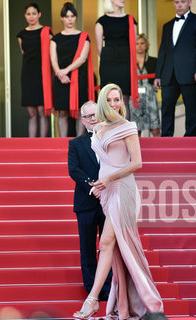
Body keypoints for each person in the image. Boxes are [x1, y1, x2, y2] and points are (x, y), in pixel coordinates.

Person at [73, 84, 163, 320]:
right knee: (112, 247)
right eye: (110, 100)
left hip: (123, 189)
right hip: (107, 192)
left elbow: (137, 163)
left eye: (117, 100)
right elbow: (103, 161)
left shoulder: (127, 127)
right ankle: (122, 301)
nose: (114, 104)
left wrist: (109, 178)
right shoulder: (100, 128)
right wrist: (103, 184)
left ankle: (92, 300)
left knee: (105, 241)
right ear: (103, 102)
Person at [68, 100, 112, 302]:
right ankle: (91, 289)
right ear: (83, 121)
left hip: (109, 200)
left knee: (107, 245)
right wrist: (92, 186)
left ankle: (109, 286)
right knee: (87, 247)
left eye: (95, 114)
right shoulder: (75, 144)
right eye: (88, 116)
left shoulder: (112, 139)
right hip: (86, 203)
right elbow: (74, 170)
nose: (92, 119)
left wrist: (103, 186)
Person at [154, 0, 196, 137]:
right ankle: (166, 137)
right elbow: (163, 51)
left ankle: (191, 137)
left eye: (183, 2)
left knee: (191, 107)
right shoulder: (167, 25)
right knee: (167, 107)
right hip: (168, 73)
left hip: (190, 72)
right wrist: (158, 75)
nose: (179, 5)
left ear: (189, 2)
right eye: (176, 2)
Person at [51, 2, 95, 137]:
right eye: (66, 16)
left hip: (78, 78)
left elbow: (82, 58)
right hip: (61, 79)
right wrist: (60, 73)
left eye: (72, 16)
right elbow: (53, 59)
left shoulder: (83, 36)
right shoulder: (55, 38)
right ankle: (63, 142)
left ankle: (79, 141)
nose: (69, 19)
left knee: (80, 112)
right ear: (62, 18)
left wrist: (66, 70)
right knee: (62, 112)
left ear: (76, 17)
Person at [95, 0, 138, 120]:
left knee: (124, 98)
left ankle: (125, 132)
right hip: (108, 62)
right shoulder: (101, 21)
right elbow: (99, 49)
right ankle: (110, 133)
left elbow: (133, 45)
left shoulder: (130, 20)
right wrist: (109, 57)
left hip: (125, 61)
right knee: (107, 97)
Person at [17, 2, 52, 137]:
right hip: (27, 75)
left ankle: (43, 144)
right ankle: (31, 144)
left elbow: (51, 55)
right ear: (25, 16)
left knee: (42, 112)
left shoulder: (47, 32)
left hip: (42, 75)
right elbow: (24, 53)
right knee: (31, 113)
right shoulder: (21, 35)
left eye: (34, 13)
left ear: (39, 15)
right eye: (28, 14)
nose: (31, 16)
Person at [129, 34, 160, 137]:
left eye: (142, 43)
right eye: (137, 44)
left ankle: (159, 151)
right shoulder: (129, 62)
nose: (139, 46)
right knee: (135, 130)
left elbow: (159, 78)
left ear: (146, 45)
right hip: (134, 96)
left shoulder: (154, 61)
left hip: (150, 96)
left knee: (155, 128)